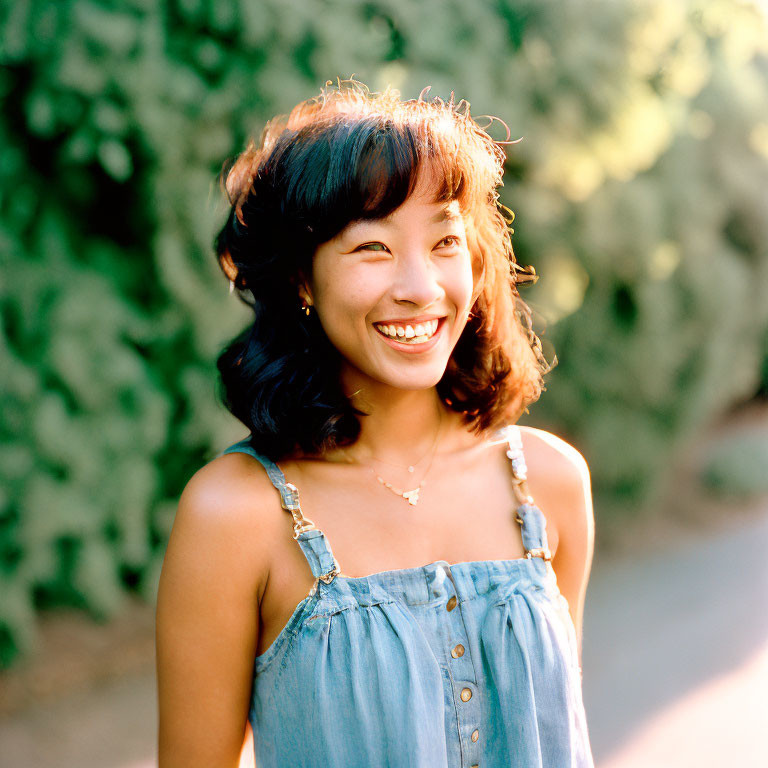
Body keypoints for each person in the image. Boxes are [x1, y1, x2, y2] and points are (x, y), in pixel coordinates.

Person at [156, 79, 595, 768]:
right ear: (302, 279)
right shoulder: (235, 515)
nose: (420, 286)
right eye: (372, 248)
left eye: (446, 240)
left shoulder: (548, 483)